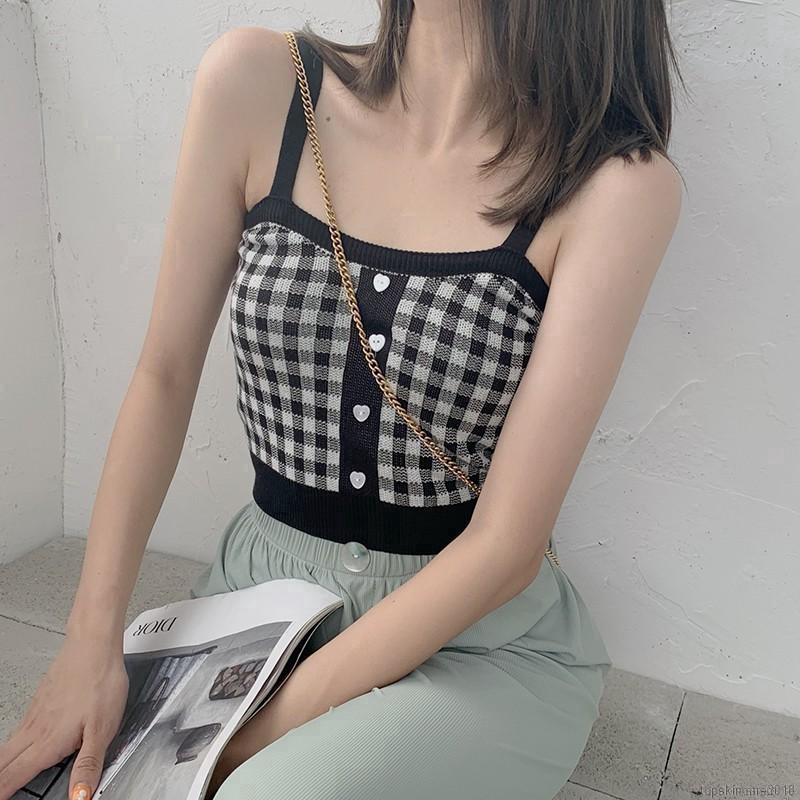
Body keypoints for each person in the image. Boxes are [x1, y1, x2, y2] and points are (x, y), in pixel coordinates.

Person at [0, 3, 685, 800]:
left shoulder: (614, 186)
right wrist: (89, 645)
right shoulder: (260, 84)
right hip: (258, 617)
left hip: (475, 646)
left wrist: (237, 745)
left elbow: (506, 547)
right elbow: (164, 373)